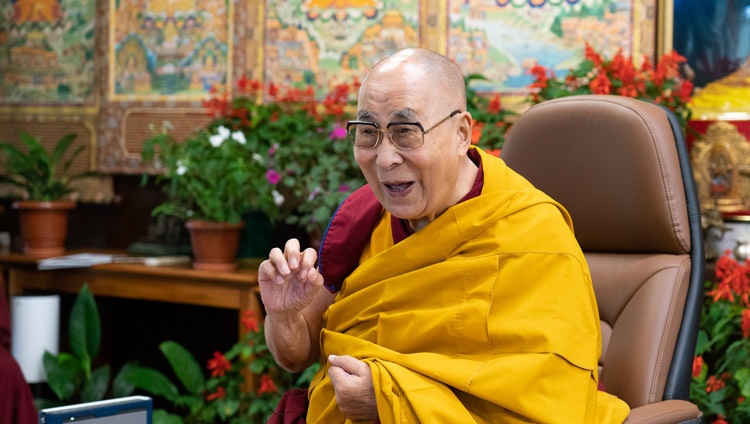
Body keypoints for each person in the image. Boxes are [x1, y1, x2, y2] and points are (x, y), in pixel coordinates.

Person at [258, 47, 630, 423]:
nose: (385, 158)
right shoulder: (363, 216)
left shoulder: (534, 234)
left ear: (461, 133)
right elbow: (295, 354)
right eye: (369, 133)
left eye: (405, 132)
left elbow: (549, 403)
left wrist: (392, 403)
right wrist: (283, 316)